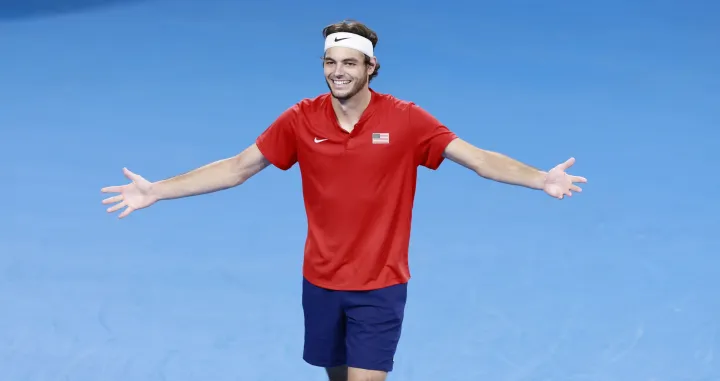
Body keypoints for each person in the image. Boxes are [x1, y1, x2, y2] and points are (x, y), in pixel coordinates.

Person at [100, 19, 587, 381]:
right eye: (330, 63)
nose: (338, 72)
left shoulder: (407, 120)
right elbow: (236, 168)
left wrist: (539, 178)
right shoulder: (299, 119)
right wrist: (156, 190)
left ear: (371, 68)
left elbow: (479, 159)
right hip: (320, 281)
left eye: (349, 64)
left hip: (379, 285)